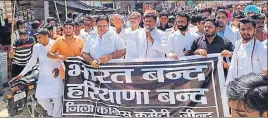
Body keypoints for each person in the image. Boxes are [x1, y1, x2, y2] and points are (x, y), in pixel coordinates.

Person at [16, 28, 63, 117]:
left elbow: (61, 59)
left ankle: (56, 116)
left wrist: (57, 68)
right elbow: (32, 62)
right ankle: (51, 113)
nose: (38, 39)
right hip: (43, 77)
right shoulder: (37, 47)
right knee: (41, 98)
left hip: (55, 76)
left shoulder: (55, 44)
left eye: (39, 37)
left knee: (57, 99)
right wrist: (22, 74)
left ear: (46, 36)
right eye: (37, 37)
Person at [226, 18, 267, 85]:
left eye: (249, 29)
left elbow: (266, 72)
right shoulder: (238, 45)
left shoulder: (262, 49)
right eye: (242, 29)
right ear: (239, 30)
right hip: (239, 88)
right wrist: (227, 65)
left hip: (255, 88)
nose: (245, 32)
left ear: (255, 30)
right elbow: (240, 64)